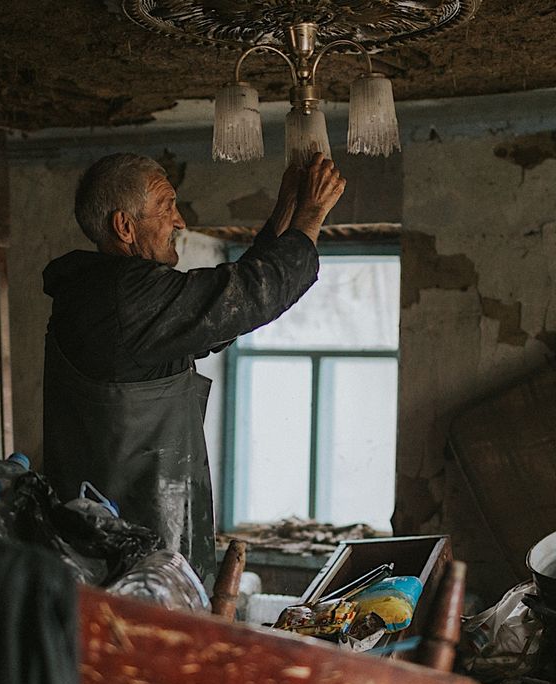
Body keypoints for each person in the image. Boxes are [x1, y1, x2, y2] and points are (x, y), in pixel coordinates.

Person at [42, 152, 346, 580]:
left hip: (132, 539)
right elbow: (252, 294)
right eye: (167, 208)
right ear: (125, 227)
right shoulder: (125, 296)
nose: (180, 222)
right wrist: (312, 215)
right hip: (132, 553)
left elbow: (227, 309)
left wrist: (287, 210)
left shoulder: (105, 291)